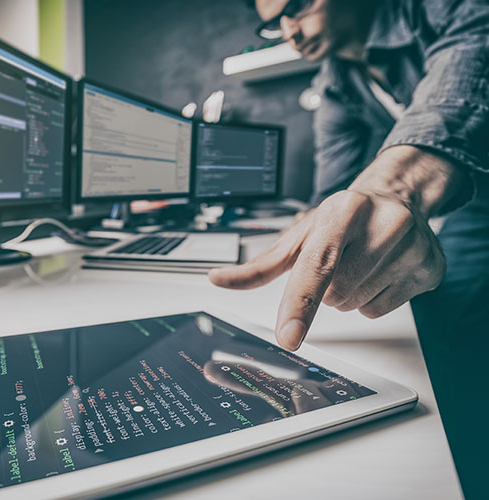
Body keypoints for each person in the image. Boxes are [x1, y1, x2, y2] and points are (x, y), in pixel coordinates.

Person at [209, 1, 489, 497]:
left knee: (455, 320)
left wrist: (393, 189)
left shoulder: (442, 8)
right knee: (430, 309)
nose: (289, 30)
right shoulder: (336, 80)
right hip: (469, 207)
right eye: (274, 23)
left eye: (295, 7)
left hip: (473, 207)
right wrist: (315, 220)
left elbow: (463, 73)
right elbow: (333, 187)